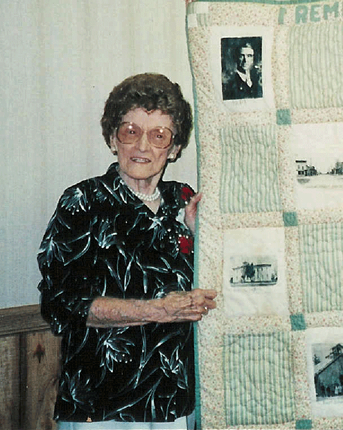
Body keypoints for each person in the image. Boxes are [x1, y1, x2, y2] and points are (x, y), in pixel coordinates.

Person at [37, 73, 217, 429]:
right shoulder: (83, 202)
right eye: (130, 131)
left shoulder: (185, 200)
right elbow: (61, 305)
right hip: (102, 406)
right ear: (111, 138)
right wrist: (156, 310)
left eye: (159, 135)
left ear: (176, 148)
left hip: (174, 403)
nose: (143, 147)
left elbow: (214, 290)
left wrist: (205, 240)